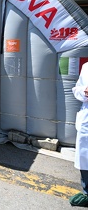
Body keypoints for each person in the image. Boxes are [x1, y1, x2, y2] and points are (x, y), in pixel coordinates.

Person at [71, 62, 88, 207]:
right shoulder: (86, 67)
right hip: (87, 120)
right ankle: (87, 191)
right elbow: (76, 89)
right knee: (85, 157)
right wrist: (84, 91)